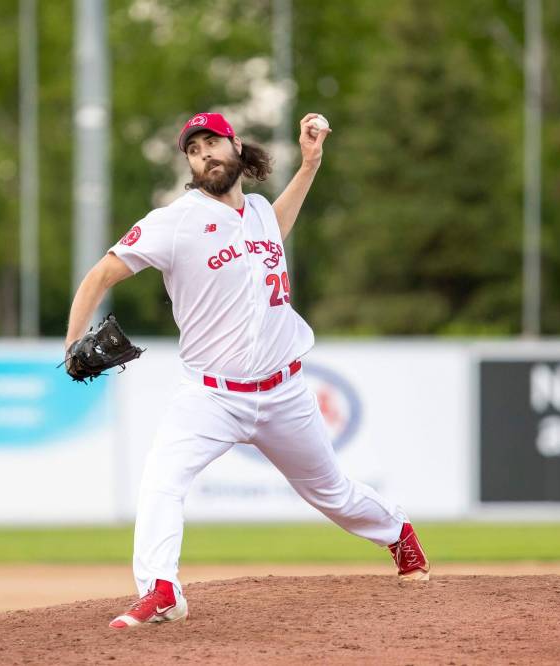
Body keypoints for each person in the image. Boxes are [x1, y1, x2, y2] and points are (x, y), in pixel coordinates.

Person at [64, 111, 430, 630]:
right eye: (194, 149)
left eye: (212, 142)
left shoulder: (258, 211)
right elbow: (100, 274)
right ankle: (161, 591)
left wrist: (310, 163)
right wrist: (72, 341)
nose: (204, 154)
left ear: (236, 146)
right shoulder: (175, 220)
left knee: (331, 492)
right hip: (209, 396)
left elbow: (276, 227)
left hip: (284, 394)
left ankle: (398, 534)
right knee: (161, 481)